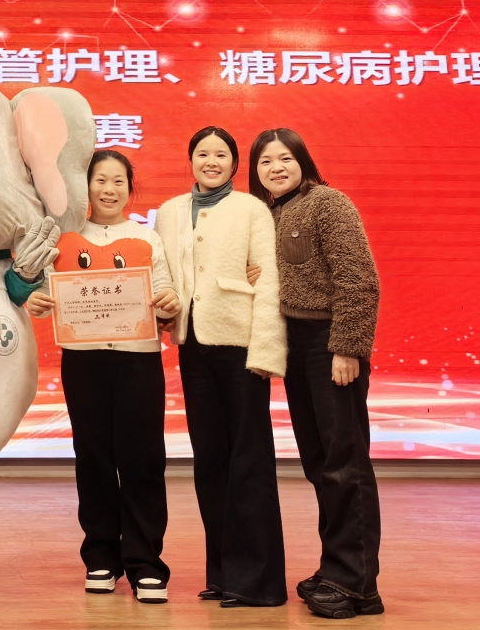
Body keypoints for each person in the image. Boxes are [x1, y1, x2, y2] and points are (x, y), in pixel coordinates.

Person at [27, 149, 182, 604]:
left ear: (130, 188)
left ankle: (146, 564)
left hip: (138, 360)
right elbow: (44, 291)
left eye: (118, 181)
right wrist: (36, 301)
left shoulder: (147, 237)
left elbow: (164, 290)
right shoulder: (64, 238)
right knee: (92, 458)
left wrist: (169, 303)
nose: (108, 189)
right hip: (84, 361)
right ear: (86, 186)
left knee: (143, 461)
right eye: (100, 180)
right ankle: (100, 559)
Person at [251, 129, 385, 619]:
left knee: (345, 463)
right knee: (320, 463)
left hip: (329, 343)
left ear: (303, 161)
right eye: (266, 161)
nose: (276, 168)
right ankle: (339, 571)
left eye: (285, 158)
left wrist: (347, 348)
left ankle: (356, 584)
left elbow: (359, 278)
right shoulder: (268, 215)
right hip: (295, 345)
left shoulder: (328, 203)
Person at [155, 126, 287, 608]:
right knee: (209, 459)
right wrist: (162, 310)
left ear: (234, 163)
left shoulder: (252, 209)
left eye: (221, 154)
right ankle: (224, 573)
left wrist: (267, 352)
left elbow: (268, 280)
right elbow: (162, 275)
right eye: (202, 153)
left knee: (249, 460)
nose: (211, 161)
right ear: (190, 160)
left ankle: (260, 583)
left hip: (241, 347)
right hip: (193, 345)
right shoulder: (169, 211)